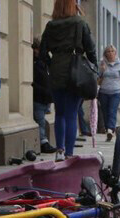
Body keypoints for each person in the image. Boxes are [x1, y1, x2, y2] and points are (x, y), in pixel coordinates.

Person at [39, 0, 97, 161]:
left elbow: (42, 54)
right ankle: (69, 153)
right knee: (72, 114)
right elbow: (91, 49)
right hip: (75, 72)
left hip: (56, 73)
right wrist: (95, 69)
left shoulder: (51, 26)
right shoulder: (80, 23)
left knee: (60, 113)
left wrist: (53, 64)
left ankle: (60, 150)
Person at [98, 45, 120, 142]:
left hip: (116, 92)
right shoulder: (102, 63)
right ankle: (109, 129)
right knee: (105, 112)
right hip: (103, 92)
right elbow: (97, 78)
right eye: (108, 51)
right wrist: (102, 70)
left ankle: (110, 130)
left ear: (115, 53)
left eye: (112, 51)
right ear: (105, 54)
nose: (111, 53)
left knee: (112, 111)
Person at [32, 37, 56, 154]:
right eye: (36, 48)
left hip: (46, 97)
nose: (38, 51)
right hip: (39, 96)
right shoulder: (34, 63)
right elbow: (34, 81)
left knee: (42, 120)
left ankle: (44, 141)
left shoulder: (45, 62)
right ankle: (43, 143)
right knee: (40, 120)